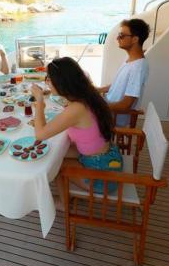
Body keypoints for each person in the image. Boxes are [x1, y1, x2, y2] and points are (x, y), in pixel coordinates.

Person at [31, 57, 123, 197]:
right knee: (52, 153)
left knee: (55, 165)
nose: (47, 82)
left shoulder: (76, 109)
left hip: (102, 173)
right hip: (105, 155)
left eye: (49, 78)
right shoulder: (87, 95)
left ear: (62, 83)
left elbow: (40, 134)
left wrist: (39, 101)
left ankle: (63, 204)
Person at [98, 18, 150, 127]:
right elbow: (118, 85)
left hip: (114, 116)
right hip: (108, 108)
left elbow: (125, 105)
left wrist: (97, 106)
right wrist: (97, 90)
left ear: (135, 39)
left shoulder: (137, 68)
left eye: (121, 35)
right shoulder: (130, 59)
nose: (117, 38)